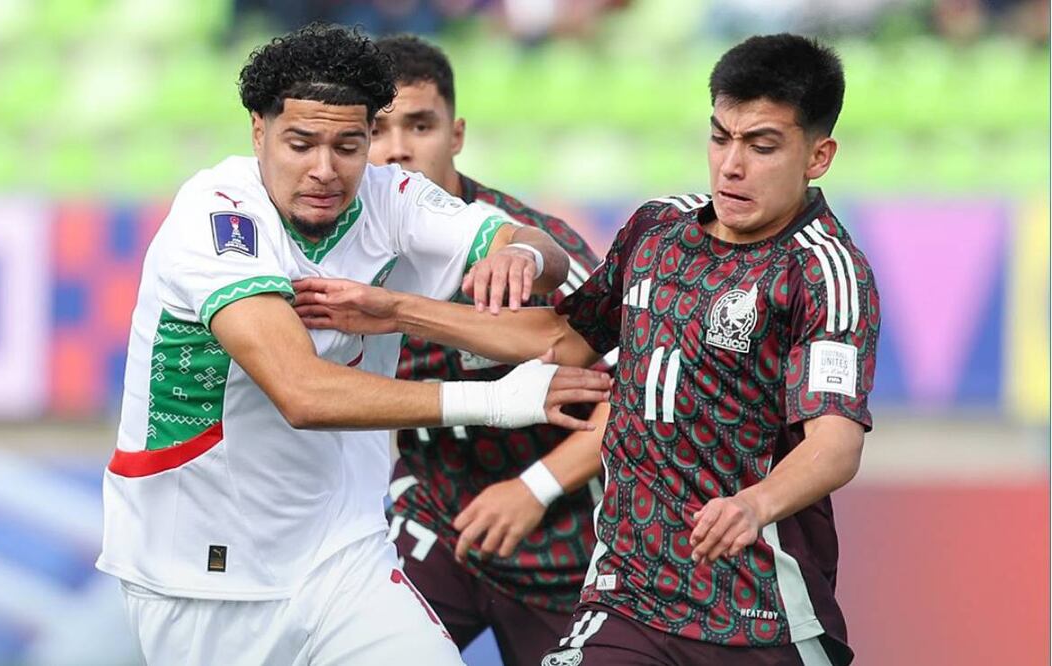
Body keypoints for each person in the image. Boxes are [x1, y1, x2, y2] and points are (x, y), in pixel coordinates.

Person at [293, 33, 880, 666]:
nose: (732, 165)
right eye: (719, 138)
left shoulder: (825, 271)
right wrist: (395, 311)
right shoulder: (657, 230)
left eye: (762, 146)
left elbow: (834, 443)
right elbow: (560, 339)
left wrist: (751, 505)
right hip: (626, 595)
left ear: (818, 156)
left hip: (755, 606)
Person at [94, 23, 611, 666]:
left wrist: (524, 257)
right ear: (259, 131)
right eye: (301, 143)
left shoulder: (388, 195)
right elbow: (303, 393)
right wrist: (500, 401)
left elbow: (537, 250)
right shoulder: (217, 217)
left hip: (343, 552)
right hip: (202, 566)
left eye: (348, 144)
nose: (325, 169)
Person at [363, 34, 610, 666]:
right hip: (433, 522)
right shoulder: (346, 251)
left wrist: (534, 487)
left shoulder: (533, 248)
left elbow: (639, 391)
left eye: (419, 124)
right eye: (378, 129)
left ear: (457, 133)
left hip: (559, 544)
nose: (397, 150)